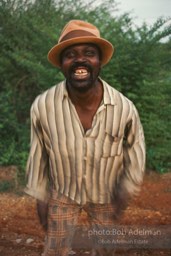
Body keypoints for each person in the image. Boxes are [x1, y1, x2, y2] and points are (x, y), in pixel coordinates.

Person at [25, 20, 146, 256]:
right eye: (70, 55)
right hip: (64, 193)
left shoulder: (124, 108)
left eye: (89, 53)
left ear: (99, 62)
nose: (80, 60)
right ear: (62, 64)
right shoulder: (43, 106)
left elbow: (135, 150)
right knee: (55, 251)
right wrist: (40, 196)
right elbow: (38, 154)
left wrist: (125, 189)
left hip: (106, 196)